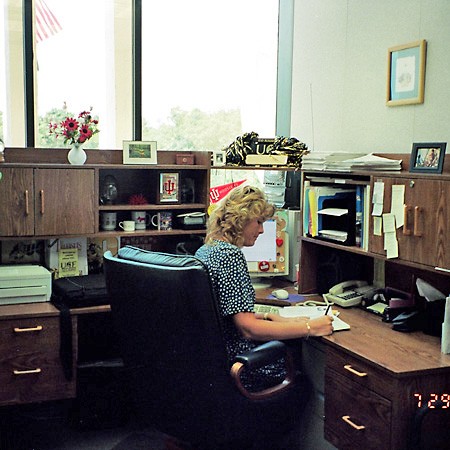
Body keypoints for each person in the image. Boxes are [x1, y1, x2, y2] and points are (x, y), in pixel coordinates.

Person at [195, 184, 334, 391]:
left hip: (217, 364)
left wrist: (270, 318)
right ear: (240, 219)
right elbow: (249, 329)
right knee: (306, 382)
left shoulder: (207, 250)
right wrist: (310, 328)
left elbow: (224, 315)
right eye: (258, 222)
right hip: (243, 369)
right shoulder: (230, 257)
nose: (261, 230)